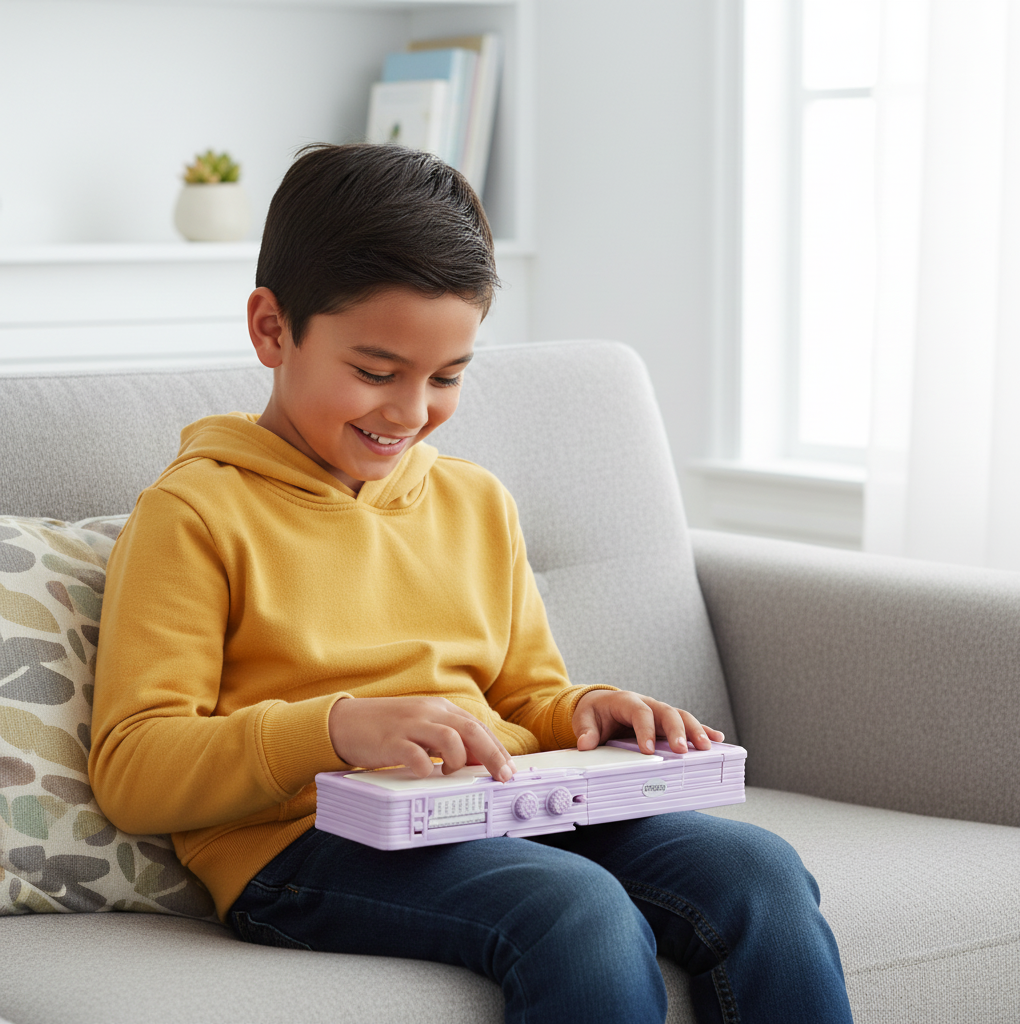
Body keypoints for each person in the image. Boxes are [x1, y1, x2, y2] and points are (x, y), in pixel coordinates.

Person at [89, 143, 853, 1024]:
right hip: (301, 846)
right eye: (376, 373)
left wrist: (589, 710)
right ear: (272, 329)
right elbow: (134, 766)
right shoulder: (194, 512)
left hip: (493, 807)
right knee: (578, 911)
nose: (411, 412)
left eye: (447, 377)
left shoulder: (475, 500)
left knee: (759, 871)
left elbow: (527, 696)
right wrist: (335, 729)